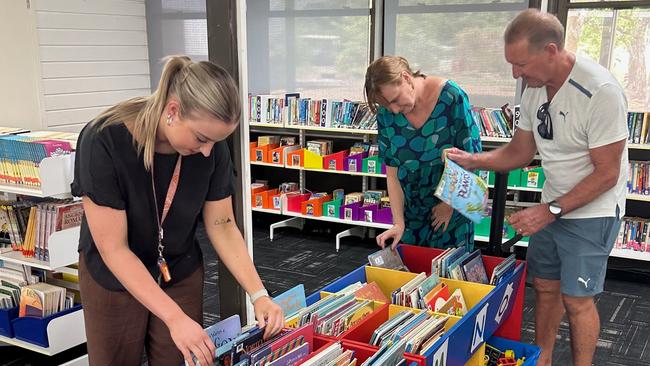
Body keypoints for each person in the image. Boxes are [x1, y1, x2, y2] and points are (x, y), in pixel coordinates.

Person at [72, 56, 285, 366]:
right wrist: (174, 318)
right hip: (113, 277)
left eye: (216, 141)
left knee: (183, 357)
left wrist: (259, 294)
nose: (208, 151)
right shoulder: (103, 139)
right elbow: (113, 249)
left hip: (177, 269)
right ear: (172, 111)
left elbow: (223, 224)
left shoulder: (211, 148)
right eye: (201, 138)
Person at [447, 10, 628, 366]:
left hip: (592, 211)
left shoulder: (600, 91)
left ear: (550, 50)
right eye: (511, 64)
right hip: (552, 206)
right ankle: (541, 360)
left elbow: (607, 173)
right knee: (545, 288)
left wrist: (550, 210)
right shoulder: (534, 89)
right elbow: (521, 150)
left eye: (521, 64)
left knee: (577, 299)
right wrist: (474, 160)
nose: (516, 73)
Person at [364, 56, 482, 250]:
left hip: (453, 205)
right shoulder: (386, 114)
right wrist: (398, 223)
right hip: (412, 212)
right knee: (414, 274)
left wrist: (448, 206)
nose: (394, 110)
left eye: (395, 100)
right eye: (387, 106)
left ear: (406, 78)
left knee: (448, 273)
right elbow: (392, 173)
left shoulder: (451, 96)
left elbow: (471, 158)